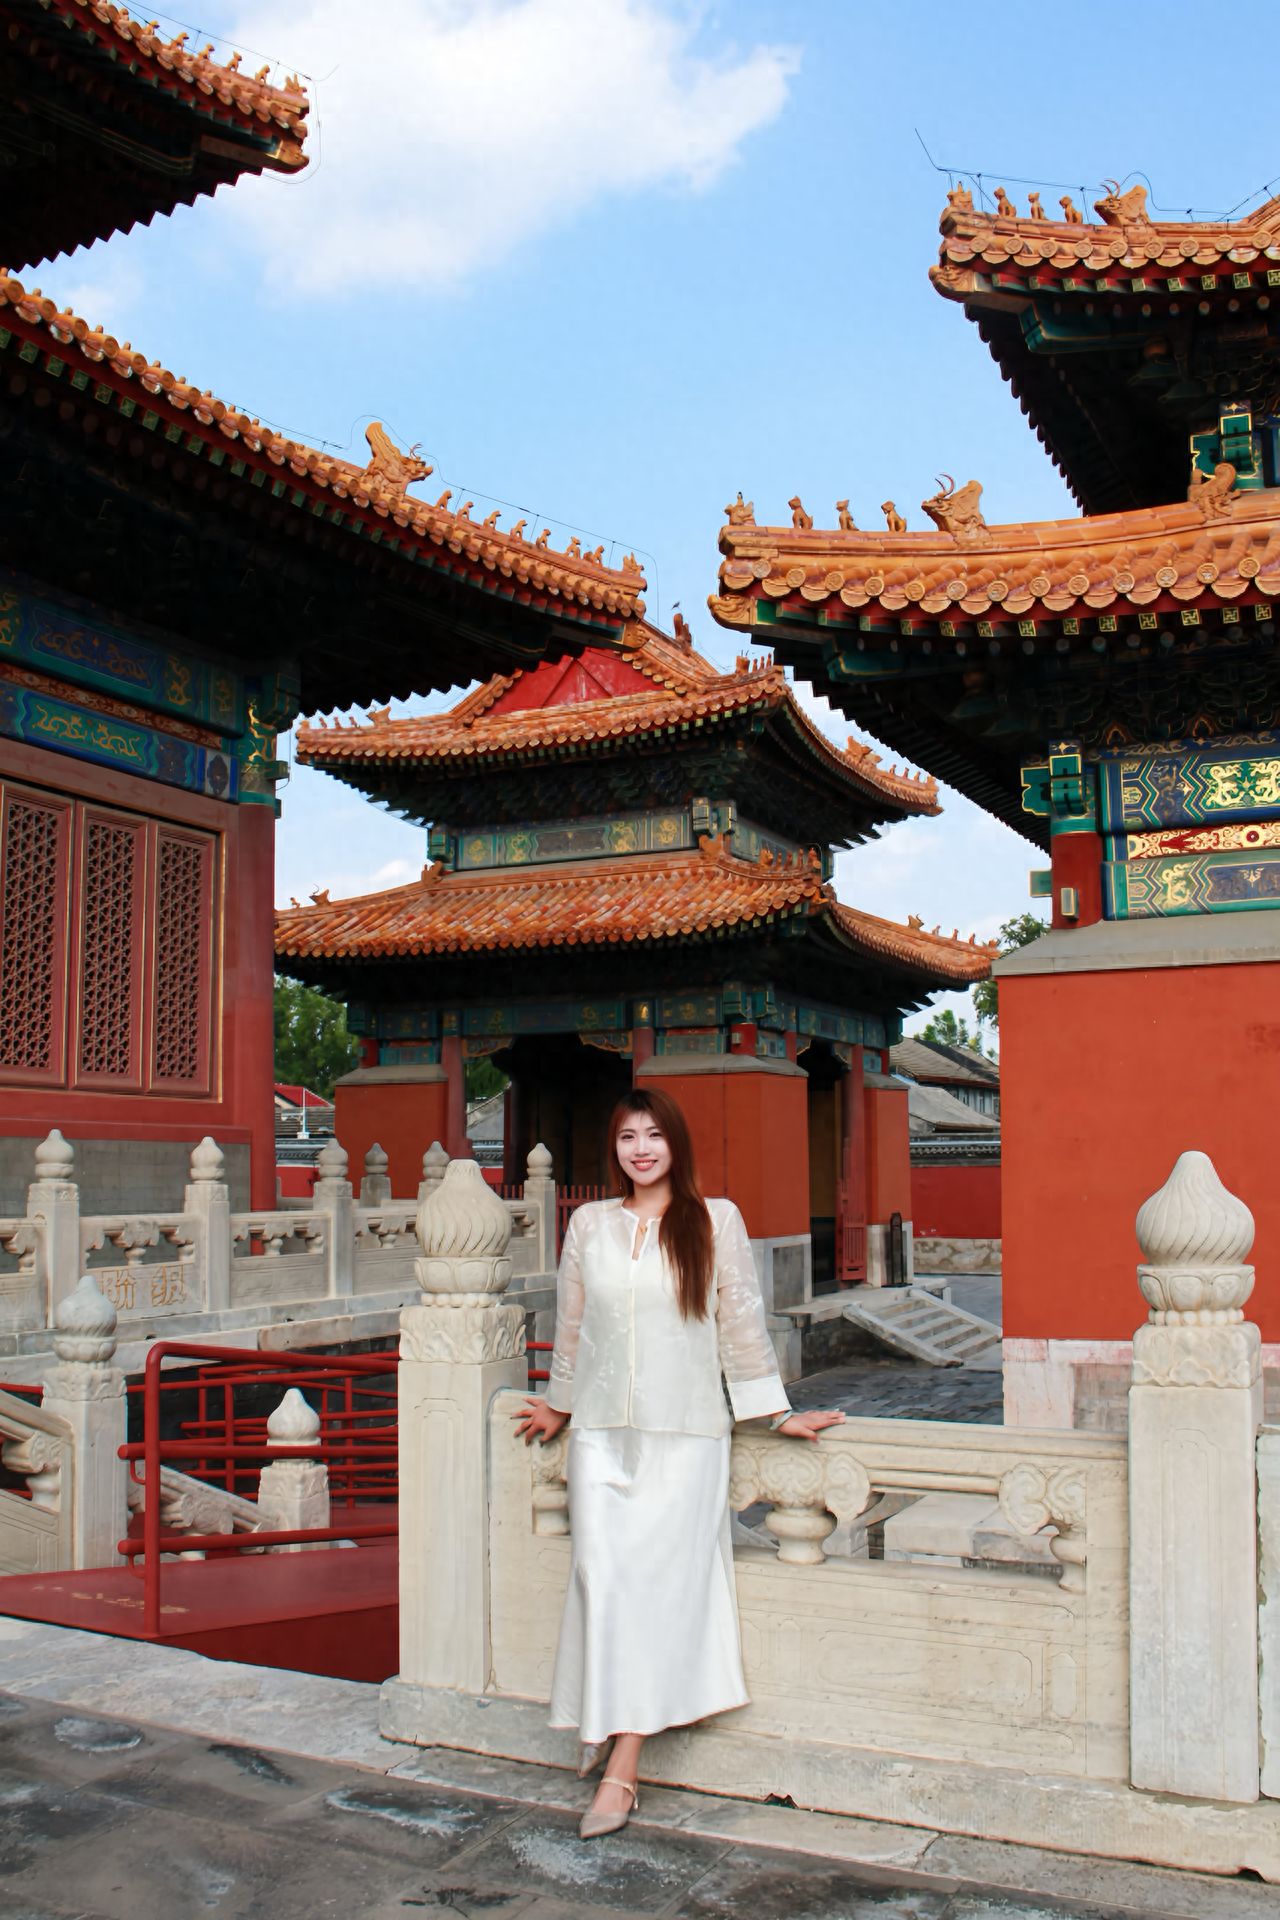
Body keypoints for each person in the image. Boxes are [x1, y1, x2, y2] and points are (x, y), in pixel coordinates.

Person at [513, 1086, 845, 1839]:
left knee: (657, 1591)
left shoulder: (713, 1220)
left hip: (686, 1435)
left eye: (654, 1135)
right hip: (601, 1432)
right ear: (615, 1148)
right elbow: (573, 1325)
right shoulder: (589, 1226)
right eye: (627, 1135)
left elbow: (740, 1325)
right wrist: (559, 1404)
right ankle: (604, 1715)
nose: (640, 1149)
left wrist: (776, 1410)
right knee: (602, 1578)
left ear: (675, 1145)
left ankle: (623, 1764)